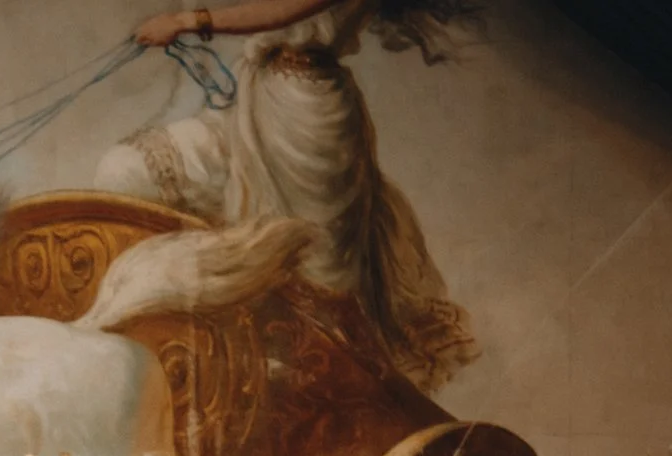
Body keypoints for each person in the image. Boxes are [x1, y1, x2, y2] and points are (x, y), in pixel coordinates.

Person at [102, 0, 483, 391]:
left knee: (311, 289)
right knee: (128, 169)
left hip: (306, 120)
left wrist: (185, 22)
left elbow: (284, 9)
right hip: (253, 98)